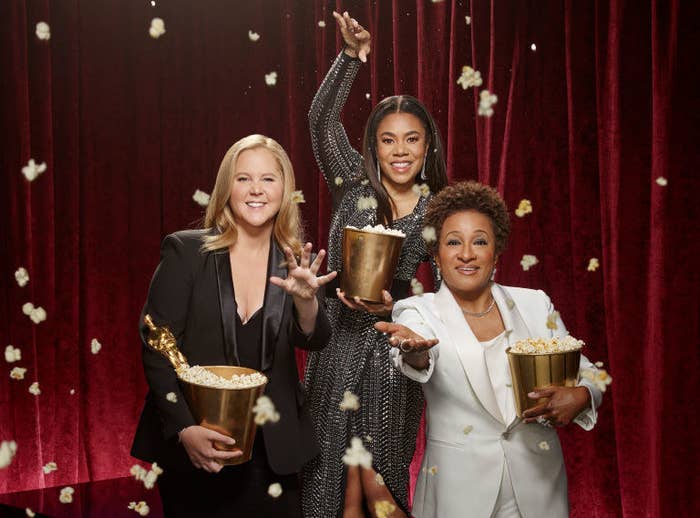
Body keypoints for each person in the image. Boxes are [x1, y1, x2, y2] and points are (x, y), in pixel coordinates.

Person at [130, 134, 336, 517]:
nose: (256, 190)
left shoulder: (293, 264)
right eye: (243, 179)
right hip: (196, 444)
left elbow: (315, 338)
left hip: (274, 451)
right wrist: (185, 430)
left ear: (284, 189)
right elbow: (157, 343)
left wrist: (305, 301)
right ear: (227, 187)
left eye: (268, 179)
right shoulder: (186, 251)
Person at [376, 181, 605, 518]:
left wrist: (583, 395)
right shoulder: (418, 311)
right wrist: (414, 351)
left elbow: (586, 370)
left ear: (496, 252)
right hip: (457, 493)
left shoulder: (535, 304)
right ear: (437, 254)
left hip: (538, 487)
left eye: (479, 242)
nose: (466, 254)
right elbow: (416, 352)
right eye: (453, 242)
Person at [302, 11, 449, 517]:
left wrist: (404, 305)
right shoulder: (352, 186)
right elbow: (320, 121)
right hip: (337, 342)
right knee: (325, 478)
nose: (400, 151)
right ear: (374, 146)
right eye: (388, 140)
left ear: (427, 145)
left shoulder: (440, 208)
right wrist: (349, 58)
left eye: (412, 139)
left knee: (381, 479)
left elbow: (454, 290)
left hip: (392, 351)